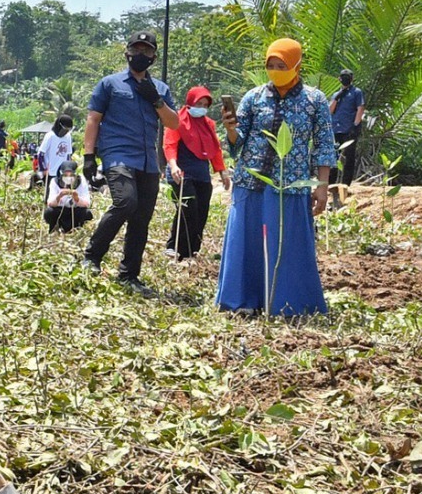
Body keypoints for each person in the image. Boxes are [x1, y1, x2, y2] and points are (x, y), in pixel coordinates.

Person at [216, 40, 336, 316]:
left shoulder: (314, 100)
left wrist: (321, 186)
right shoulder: (254, 97)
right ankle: (242, 301)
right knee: (247, 243)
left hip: (291, 184)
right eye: (270, 65)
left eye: (281, 66)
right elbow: (238, 143)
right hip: (251, 182)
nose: (274, 70)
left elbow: (324, 145)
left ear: (296, 65)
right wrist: (231, 129)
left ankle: (289, 304)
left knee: (288, 244)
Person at [80, 31, 179, 287]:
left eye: (146, 51)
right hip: (117, 155)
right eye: (136, 49)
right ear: (127, 52)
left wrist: (155, 99)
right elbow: (93, 119)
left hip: (147, 160)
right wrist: (89, 156)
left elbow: (174, 122)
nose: (140, 54)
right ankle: (91, 256)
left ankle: (129, 275)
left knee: (141, 218)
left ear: (154, 57)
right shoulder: (110, 84)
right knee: (125, 202)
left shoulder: (160, 89)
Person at [163, 85, 227, 259]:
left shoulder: (208, 125)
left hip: (202, 175)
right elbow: (170, 144)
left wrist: (222, 172)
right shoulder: (177, 120)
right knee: (187, 210)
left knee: (201, 212)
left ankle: (192, 251)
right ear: (190, 102)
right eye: (199, 103)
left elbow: (215, 149)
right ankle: (174, 247)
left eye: (206, 105)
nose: (202, 108)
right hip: (182, 174)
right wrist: (174, 165)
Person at [329, 68, 366, 202]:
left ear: (352, 78)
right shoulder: (336, 94)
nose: (345, 79)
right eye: (343, 76)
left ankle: (346, 184)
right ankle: (330, 184)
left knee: (349, 157)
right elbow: (330, 110)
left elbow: (360, 108)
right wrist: (337, 97)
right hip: (336, 129)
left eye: (347, 76)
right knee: (333, 158)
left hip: (349, 129)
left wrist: (356, 125)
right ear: (339, 79)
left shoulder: (356, 92)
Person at [44, 158, 92, 233]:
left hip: (75, 211)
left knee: (86, 213)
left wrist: (76, 198)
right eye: (65, 175)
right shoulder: (55, 182)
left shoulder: (82, 181)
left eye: (71, 175)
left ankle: (78, 229)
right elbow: (50, 203)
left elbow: (87, 203)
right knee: (49, 212)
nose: (68, 178)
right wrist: (59, 196)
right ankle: (54, 229)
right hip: (60, 211)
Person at [36, 115, 74, 188]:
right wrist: (43, 169)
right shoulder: (50, 136)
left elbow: (68, 155)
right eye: (64, 129)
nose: (65, 132)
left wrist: (68, 169)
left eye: (68, 130)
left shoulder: (68, 137)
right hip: (50, 172)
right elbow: (41, 154)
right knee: (50, 194)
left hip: (62, 171)